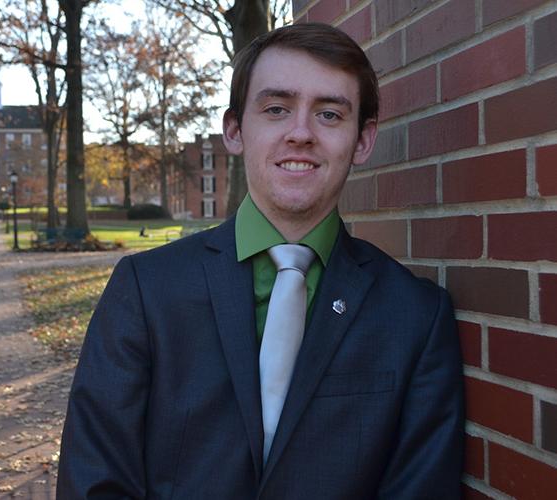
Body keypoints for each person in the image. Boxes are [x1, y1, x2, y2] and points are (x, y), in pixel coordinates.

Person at [57, 23, 464, 499]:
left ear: (363, 140)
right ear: (234, 130)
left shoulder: (417, 316)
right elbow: (94, 481)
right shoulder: (146, 289)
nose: (301, 133)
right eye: (276, 109)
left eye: (330, 114)